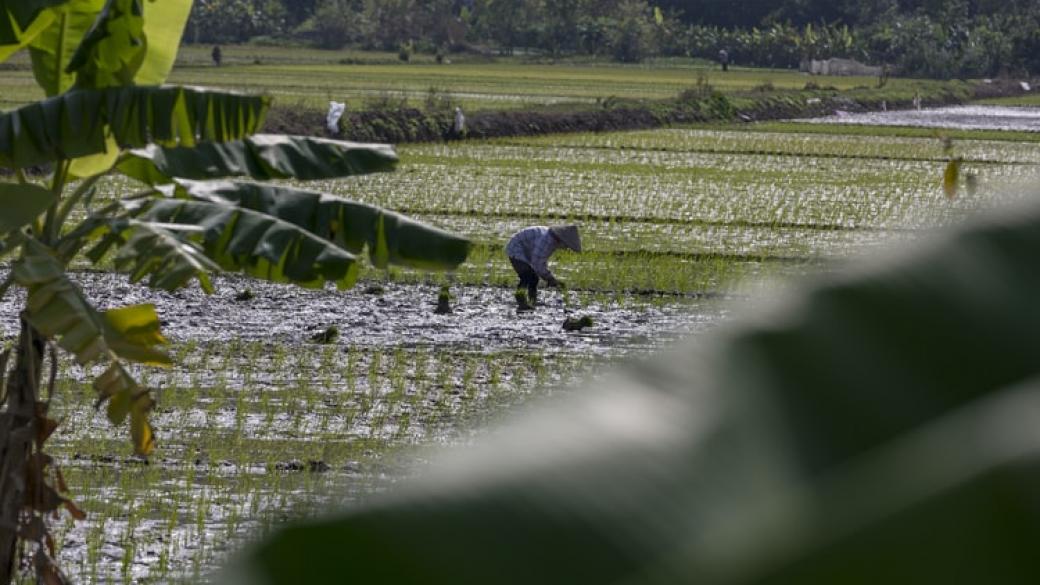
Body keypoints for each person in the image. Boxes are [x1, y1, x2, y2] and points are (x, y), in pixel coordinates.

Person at [506, 225, 582, 311]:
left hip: (524, 249)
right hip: (516, 248)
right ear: (562, 240)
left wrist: (549, 277)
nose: (566, 248)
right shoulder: (547, 241)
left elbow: (541, 260)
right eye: (566, 246)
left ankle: (532, 301)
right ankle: (521, 299)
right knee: (527, 276)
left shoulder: (552, 240)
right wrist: (550, 278)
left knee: (534, 278)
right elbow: (537, 264)